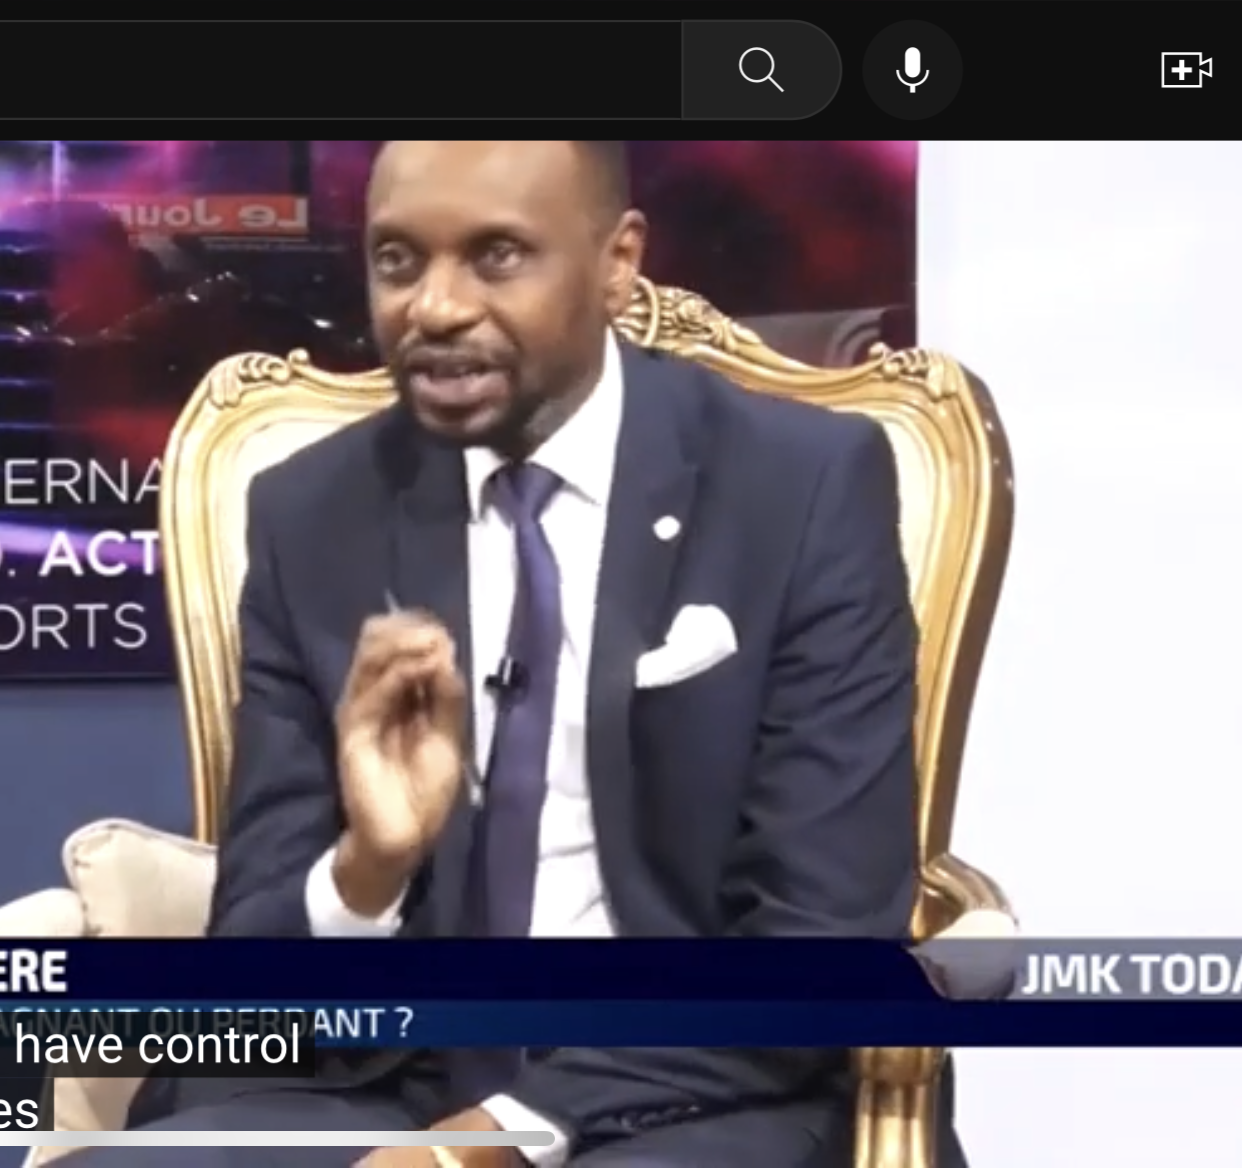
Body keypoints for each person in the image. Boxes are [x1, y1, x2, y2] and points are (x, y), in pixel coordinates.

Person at [51, 141, 921, 1168]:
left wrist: (487, 1141)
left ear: (617, 262)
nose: (435, 307)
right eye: (397, 260)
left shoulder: (797, 486)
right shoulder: (312, 513)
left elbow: (821, 938)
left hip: (692, 1093)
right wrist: (366, 871)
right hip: (384, 1082)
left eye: (497, 256)